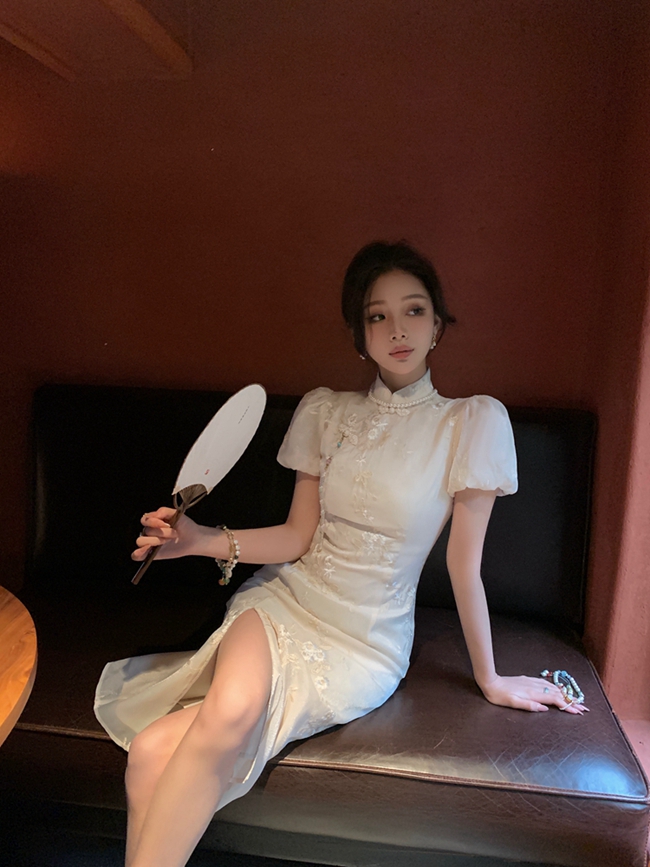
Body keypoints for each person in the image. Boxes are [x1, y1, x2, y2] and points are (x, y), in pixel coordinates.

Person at [94, 241, 588, 867]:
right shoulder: (327, 410)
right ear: (360, 337)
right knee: (233, 709)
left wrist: (490, 679)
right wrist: (200, 542)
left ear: (438, 326)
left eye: (414, 310)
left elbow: (464, 567)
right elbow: (297, 537)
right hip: (286, 601)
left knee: (151, 751)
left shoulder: (472, 423)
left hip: (365, 644)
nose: (397, 329)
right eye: (378, 316)